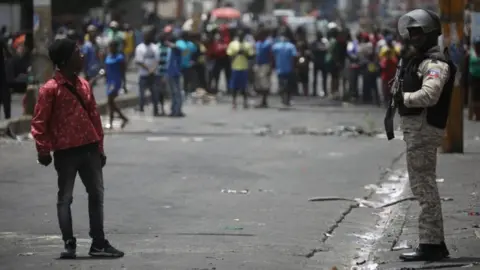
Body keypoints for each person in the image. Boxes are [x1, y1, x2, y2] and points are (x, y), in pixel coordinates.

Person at [30, 38, 124, 259]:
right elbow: (39, 122)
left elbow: (94, 118)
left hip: (90, 149)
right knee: (65, 198)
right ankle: (69, 242)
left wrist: (100, 147)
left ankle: (98, 243)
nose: (82, 56)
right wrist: (43, 149)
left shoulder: (84, 85)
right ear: (65, 60)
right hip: (65, 152)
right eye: (77, 52)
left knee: (96, 195)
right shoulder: (50, 90)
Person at [393, 9, 456, 262]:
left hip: (423, 129)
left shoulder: (435, 64)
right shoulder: (420, 61)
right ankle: (433, 243)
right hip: (417, 131)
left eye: (419, 32)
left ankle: (431, 245)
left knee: (424, 187)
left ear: (431, 34)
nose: (414, 37)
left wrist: (404, 98)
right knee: (422, 185)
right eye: (411, 33)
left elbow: (430, 95)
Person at [135, 26, 161, 115]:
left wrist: (153, 69)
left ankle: (156, 110)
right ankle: (141, 109)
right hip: (143, 75)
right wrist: (148, 69)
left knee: (155, 93)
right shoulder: (139, 48)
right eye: (146, 35)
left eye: (149, 35)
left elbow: (157, 60)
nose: (147, 37)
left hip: (154, 75)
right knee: (142, 94)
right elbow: (139, 61)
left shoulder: (155, 47)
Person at [226, 28, 254, 109]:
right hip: (235, 67)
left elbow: (251, 56)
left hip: (244, 67)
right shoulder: (233, 44)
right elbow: (229, 55)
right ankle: (234, 102)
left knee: (244, 87)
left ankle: (245, 102)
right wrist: (236, 53)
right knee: (234, 87)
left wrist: (244, 53)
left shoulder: (247, 45)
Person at [104, 40, 129, 128]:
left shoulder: (119, 58)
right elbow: (106, 69)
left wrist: (124, 84)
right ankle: (119, 119)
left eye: (112, 46)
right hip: (109, 82)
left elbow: (123, 72)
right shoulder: (107, 57)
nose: (110, 48)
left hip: (116, 81)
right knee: (110, 102)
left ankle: (114, 120)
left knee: (110, 101)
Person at [272, 30, 297, 106]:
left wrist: (273, 65)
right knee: (289, 85)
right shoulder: (291, 46)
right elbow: (294, 57)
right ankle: (287, 100)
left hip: (280, 68)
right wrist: (294, 67)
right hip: (289, 68)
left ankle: (283, 99)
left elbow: (272, 56)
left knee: (281, 85)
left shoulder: (276, 46)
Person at [253, 28, 273, 108]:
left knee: (264, 83)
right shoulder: (257, 44)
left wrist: (271, 66)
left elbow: (271, 55)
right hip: (258, 64)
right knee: (258, 84)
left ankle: (264, 101)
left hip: (265, 65)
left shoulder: (268, 44)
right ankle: (261, 100)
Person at [176, 31, 197, 96]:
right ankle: (181, 90)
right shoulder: (178, 43)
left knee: (187, 79)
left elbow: (195, 53)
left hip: (188, 65)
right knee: (180, 79)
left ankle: (185, 90)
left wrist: (193, 61)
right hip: (179, 65)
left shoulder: (191, 44)